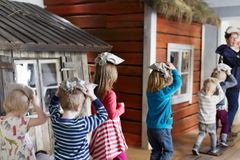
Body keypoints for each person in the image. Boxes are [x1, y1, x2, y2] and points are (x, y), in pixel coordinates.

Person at [48, 77, 108, 160]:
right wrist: (92, 95)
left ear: (61, 105)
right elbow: (103, 115)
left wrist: (57, 94)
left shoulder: (55, 120)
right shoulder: (83, 124)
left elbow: (52, 106)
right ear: (78, 107)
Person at [89, 52, 128, 160]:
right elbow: (112, 115)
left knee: (104, 156)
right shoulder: (110, 94)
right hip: (111, 132)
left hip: (99, 131)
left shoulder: (94, 92)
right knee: (121, 157)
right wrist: (121, 108)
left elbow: (93, 112)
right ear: (111, 77)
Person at [0, 83, 47, 160]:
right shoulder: (21, 121)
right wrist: (36, 104)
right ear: (23, 108)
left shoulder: (2, 121)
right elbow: (43, 119)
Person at [146, 62, 182, 160]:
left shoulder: (149, 92)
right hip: (162, 128)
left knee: (156, 150)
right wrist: (174, 69)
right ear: (164, 80)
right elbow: (178, 83)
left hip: (151, 128)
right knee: (168, 151)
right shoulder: (164, 92)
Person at [216, 26, 240, 137]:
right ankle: (225, 131)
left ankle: (227, 130)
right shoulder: (226, 51)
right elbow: (237, 63)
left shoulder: (231, 51)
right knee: (233, 106)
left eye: (236, 38)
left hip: (235, 81)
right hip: (231, 83)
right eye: (232, 38)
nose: (235, 40)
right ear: (226, 38)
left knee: (233, 106)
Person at [192, 78, 225, 156]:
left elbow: (202, 90)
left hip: (201, 121)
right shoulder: (213, 99)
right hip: (210, 122)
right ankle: (213, 149)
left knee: (201, 134)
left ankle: (196, 147)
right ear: (213, 91)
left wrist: (206, 85)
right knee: (213, 134)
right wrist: (218, 85)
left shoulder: (200, 96)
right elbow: (222, 95)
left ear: (204, 88)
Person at [211, 63, 237, 146]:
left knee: (214, 125)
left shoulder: (210, 84)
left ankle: (214, 141)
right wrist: (229, 74)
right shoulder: (224, 85)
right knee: (225, 124)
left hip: (212, 109)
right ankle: (223, 140)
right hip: (221, 110)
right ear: (224, 77)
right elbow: (234, 82)